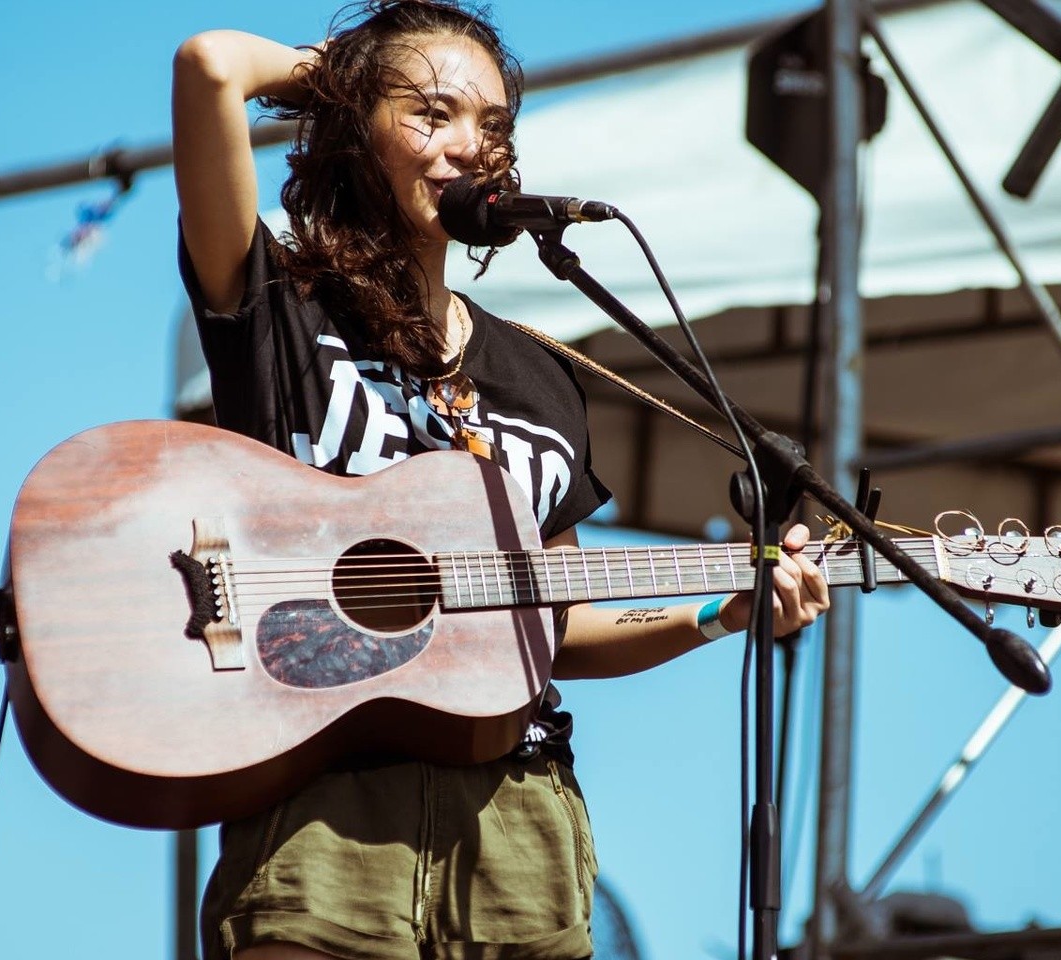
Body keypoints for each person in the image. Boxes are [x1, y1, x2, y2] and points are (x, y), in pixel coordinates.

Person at [171, 3, 832, 957]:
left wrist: (725, 612)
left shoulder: (539, 374)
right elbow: (209, 68)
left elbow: (555, 618)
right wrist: (346, 78)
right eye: (432, 114)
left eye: (492, 127)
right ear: (356, 124)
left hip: (517, 824)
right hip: (323, 814)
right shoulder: (280, 305)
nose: (467, 148)